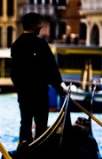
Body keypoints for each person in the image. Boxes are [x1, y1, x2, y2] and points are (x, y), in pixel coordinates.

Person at [10, 12, 66, 143]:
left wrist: (20, 88)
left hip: (24, 93)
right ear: (34, 25)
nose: (42, 26)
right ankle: (39, 146)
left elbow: (14, 73)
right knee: (41, 123)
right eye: (40, 23)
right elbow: (51, 69)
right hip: (39, 92)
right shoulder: (41, 45)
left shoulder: (16, 44)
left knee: (25, 122)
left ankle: (24, 145)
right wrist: (59, 87)